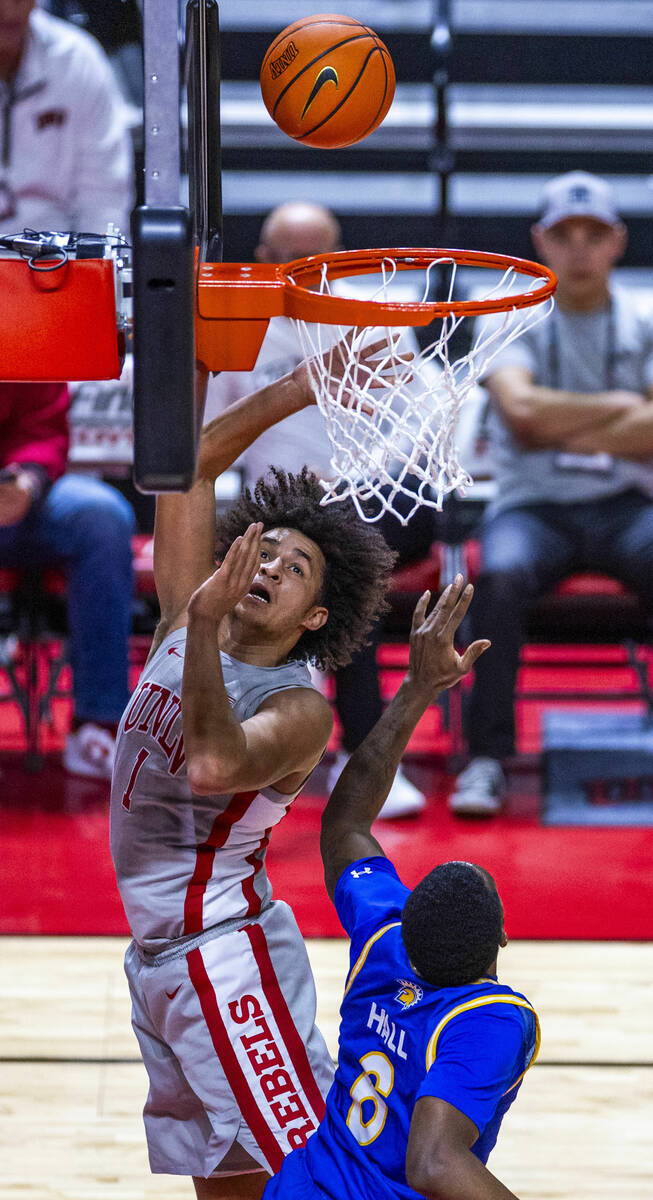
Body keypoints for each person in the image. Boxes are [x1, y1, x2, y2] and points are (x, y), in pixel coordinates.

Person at [109, 339, 398, 1198]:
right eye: (262, 550)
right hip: (158, 962)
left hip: (225, 960)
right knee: (224, 1178)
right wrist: (296, 389)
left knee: (304, 1181)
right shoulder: (180, 619)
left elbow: (211, 765)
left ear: (314, 616)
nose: (268, 565)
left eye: (292, 567)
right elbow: (188, 473)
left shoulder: (299, 707)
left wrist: (200, 625)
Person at [263, 577, 540, 1200]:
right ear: (500, 938)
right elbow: (434, 1165)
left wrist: (416, 689)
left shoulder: (383, 939)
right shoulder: (489, 1018)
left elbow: (346, 824)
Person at [205, 201, 438, 819]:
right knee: (321, 556)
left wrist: (354, 475)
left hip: (383, 498)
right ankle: (309, 742)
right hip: (286, 514)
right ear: (262, 260)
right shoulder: (238, 332)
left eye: (317, 261)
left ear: (338, 261)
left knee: (338, 546)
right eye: (288, 259)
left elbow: (419, 429)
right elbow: (212, 438)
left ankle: (334, 742)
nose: (304, 271)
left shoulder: (380, 321)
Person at [450, 170, 653, 816]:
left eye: (592, 234)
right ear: (539, 239)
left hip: (625, 504)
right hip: (531, 506)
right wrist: (624, 410)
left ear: (616, 241)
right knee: (501, 573)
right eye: (563, 234)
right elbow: (519, 413)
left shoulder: (645, 315)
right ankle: (486, 759)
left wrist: (553, 418)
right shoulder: (509, 315)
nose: (578, 248)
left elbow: (540, 416)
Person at [0, 0, 136, 777]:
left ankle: (97, 721)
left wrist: (25, 476)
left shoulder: (75, 62)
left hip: (45, 287)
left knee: (101, 515)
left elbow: (46, 416)